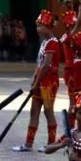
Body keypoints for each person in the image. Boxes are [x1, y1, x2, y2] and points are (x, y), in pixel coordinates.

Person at [14, 10, 61, 153]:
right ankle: (28, 144)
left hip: (49, 82)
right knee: (34, 111)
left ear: (48, 26)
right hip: (40, 80)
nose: (37, 29)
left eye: (40, 26)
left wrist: (36, 83)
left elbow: (46, 66)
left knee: (48, 111)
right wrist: (34, 80)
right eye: (37, 26)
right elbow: (39, 65)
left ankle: (50, 144)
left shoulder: (52, 43)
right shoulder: (45, 42)